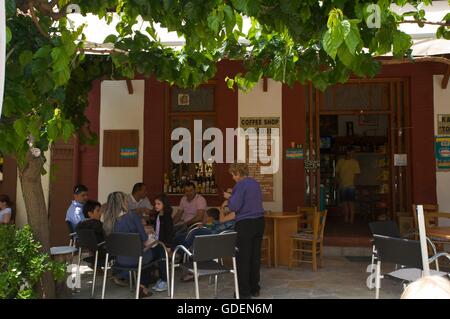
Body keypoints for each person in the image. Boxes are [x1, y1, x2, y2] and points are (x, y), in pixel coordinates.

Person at [102, 191, 154, 298]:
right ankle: (142, 286)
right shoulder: (132, 216)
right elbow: (144, 238)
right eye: (126, 200)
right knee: (155, 251)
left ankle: (122, 275)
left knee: (143, 253)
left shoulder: (108, 220)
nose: (128, 202)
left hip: (119, 260)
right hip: (136, 258)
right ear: (122, 203)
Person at [224, 163, 265, 299]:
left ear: (238, 173)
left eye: (233, 175)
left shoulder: (240, 185)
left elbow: (234, 206)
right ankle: (255, 288)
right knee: (255, 257)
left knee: (243, 259)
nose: (233, 178)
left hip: (245, 224)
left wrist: (229, 197)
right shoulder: (255, 183)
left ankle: (243, 293)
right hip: (259, 222)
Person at [149, 193, 174, 292]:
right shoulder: (158, 215)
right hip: (157, 242)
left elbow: (169, 232)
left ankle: (165, 280)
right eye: (155, 204)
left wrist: (168, 246)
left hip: (164, 244)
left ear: (165, 204)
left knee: (163, 261)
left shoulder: (167, 217)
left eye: (159, 204)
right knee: (159, 261)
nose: (156, 206)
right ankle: (161, 279)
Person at [336, 147, 360, 224]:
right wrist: (338, 181)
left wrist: (354, 182)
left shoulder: (355, 162)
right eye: (352, 152)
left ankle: (351, 219)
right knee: (344, 203)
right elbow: (336, 172)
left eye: (354, 153)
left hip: (351, 186)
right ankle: (346, 218)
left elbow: (357, 174)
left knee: (351, 203)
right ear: (347, 152)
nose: (353, 154)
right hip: (342, 185)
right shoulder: (340, 161)